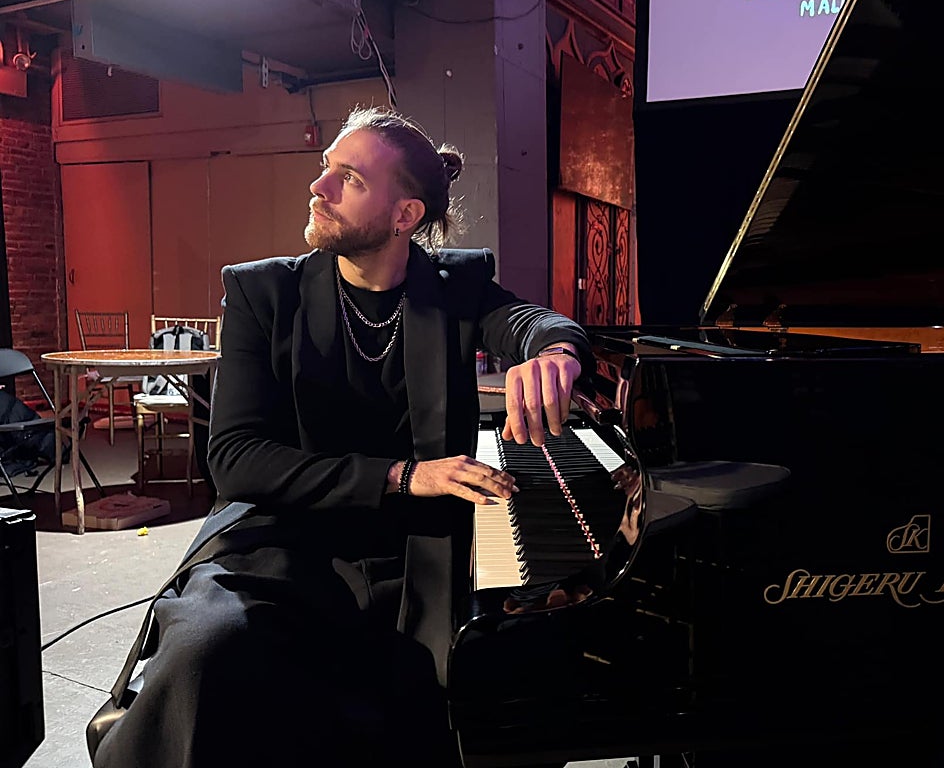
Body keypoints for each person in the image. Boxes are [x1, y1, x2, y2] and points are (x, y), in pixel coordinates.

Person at [91, 105, 592, 768]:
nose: (318, 187)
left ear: (405, 215)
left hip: (414, 546)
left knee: (481, 676)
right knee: (207, 652)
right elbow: (236, 460)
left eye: (347, 178)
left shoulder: (452, 285)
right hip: (279, 539)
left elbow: (529, 321)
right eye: (324, 169)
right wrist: (404, 475)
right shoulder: (262, 293)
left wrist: (556, 351)